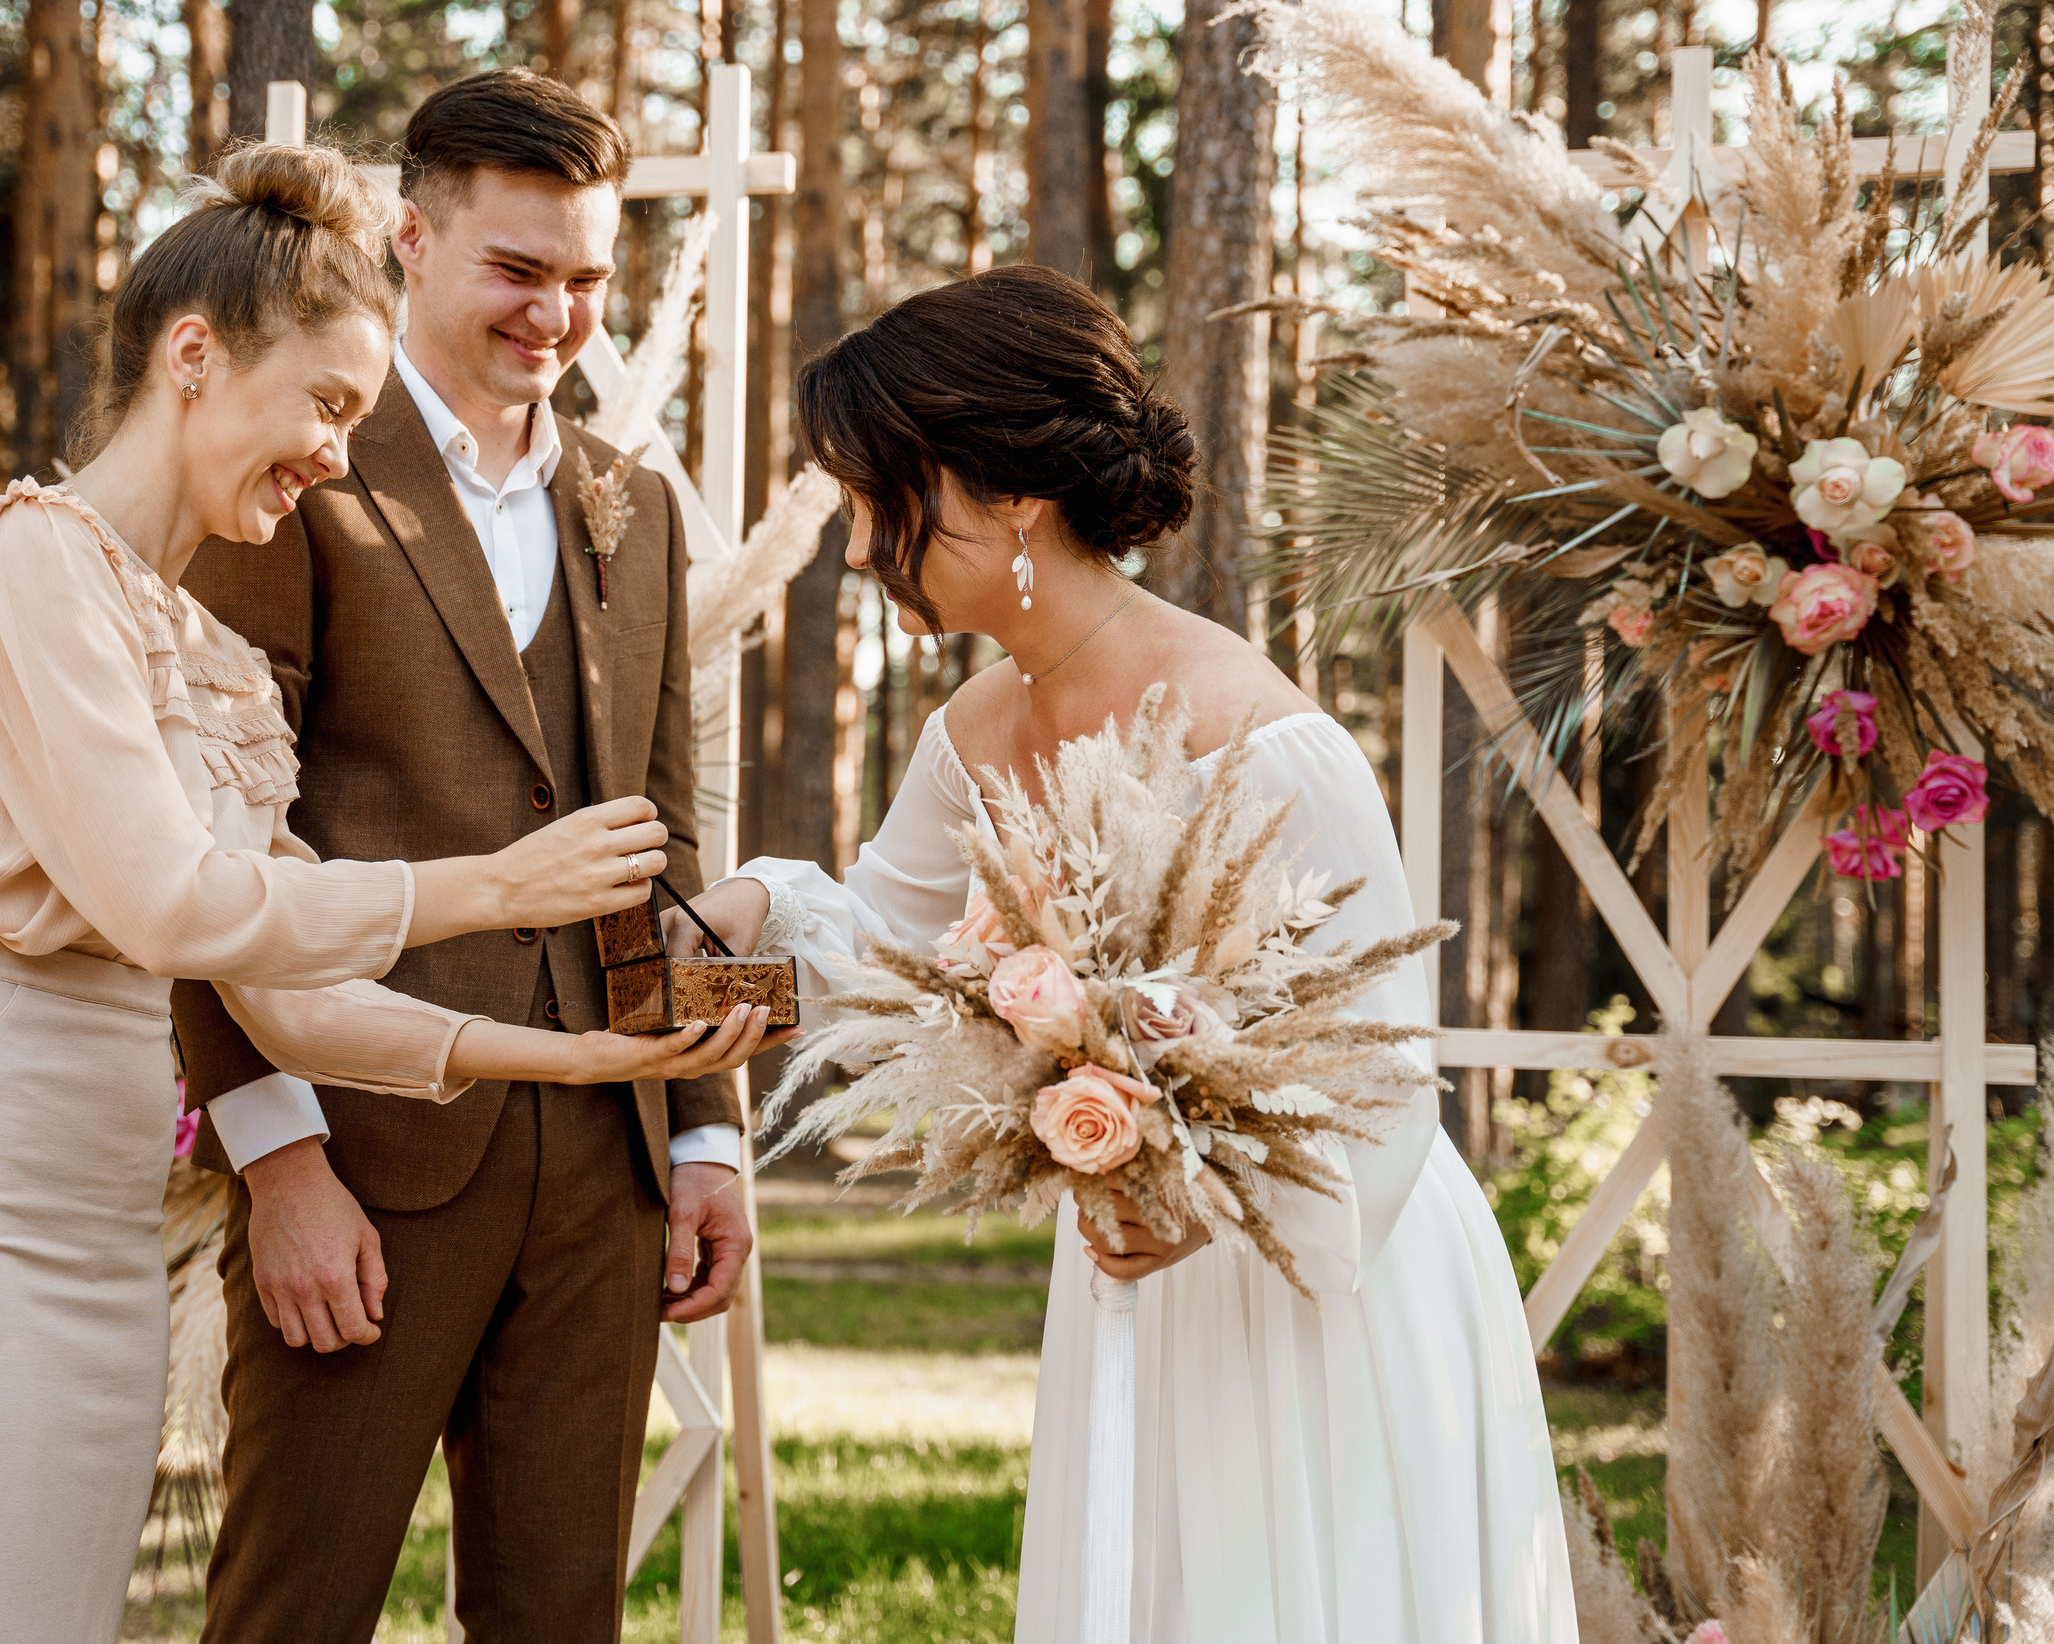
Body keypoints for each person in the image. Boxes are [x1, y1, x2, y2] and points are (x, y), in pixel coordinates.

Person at [0, 139, 776, 1644]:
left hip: (89, 1226)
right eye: (331, 407)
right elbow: (178, 910)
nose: (341, 455)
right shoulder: (28, 560)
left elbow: (295, 993)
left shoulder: (201, 651)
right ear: (194, 353)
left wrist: (602, 1061)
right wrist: (488, 889)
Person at [669, 265, 1580, 1643]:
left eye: (877, 499)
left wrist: (1202, 1194)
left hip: (1317, 1278)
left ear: (1004, 492)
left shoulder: (1265, 738)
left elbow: (1383, 1080)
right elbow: (881, 957)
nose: (858, 548)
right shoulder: (975, 729)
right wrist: (751, 902)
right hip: (1130, 1275)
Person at [168, 69, 765, 1644]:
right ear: (413, 244)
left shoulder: (636, 508)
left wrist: (700, 1137)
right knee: (294, 1611)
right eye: (518, 269)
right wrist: (275, 1155)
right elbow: (215, 847)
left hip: (605, 1176)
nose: (555, 315)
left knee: (560, 1619)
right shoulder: (298, 480)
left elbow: (667, 839)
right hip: (364, 1152)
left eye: (585, 277)